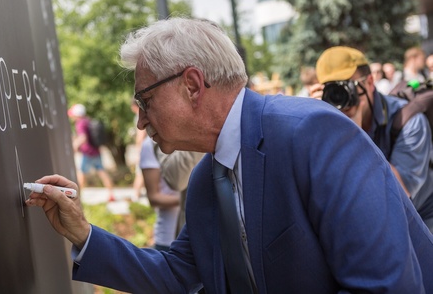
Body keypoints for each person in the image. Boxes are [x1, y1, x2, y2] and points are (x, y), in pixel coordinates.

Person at [27, 18, 433, 293]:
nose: (140, 122)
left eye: (145, 100)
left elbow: (386, 284)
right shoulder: (208, 178)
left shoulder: (311, 132)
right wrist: (83, 233)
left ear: (191, 84)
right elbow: (177, 273)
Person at [309, 46, 433, 233]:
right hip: (374, 221)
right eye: (332, 89)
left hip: (420, 218)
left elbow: (399, 191)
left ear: (369, 82)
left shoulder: (409, 121)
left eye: (347, 86)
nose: (339, 96)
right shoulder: (329, 122)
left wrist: (353, 133)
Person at [139, 136, 181, 251]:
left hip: (200, 237)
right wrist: (189, 199)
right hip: (168, 239)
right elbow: (153, 198)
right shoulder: (150, 144)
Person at [68, 103, 115, 201]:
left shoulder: (80, 123)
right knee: (102, 172)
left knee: (81, 173)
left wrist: (74, 146)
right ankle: (111, 194)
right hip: (96, 151)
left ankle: (77, 196)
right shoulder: (88, 120)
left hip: (88, 152)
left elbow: (83, 138)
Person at [130, 99, 147, 201]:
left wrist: (138, 149)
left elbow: (141, 134)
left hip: (143, 148)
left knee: (140, 171)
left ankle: (136, 195)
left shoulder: (139, 116)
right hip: (147, 147)